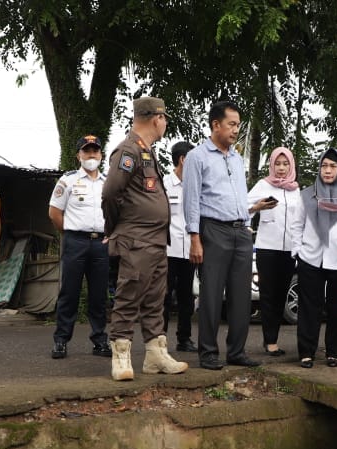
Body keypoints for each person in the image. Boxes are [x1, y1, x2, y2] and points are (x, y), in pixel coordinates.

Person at [101, 96, 187, 381]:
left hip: (156, 240)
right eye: (164, 119)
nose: (165, 124)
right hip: (136, 239)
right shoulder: (128, 150)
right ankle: (121, 355)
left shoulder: (147, 152)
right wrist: (115, 228)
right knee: (129, 296)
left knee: (155, 298)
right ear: (155, 119)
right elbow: (111, 193)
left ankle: (155, 354)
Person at [182, 99, 259, 370]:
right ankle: (208, 352)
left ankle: (236, 351)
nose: (236, 130)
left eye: (238, 125)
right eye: (231, 124)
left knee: (241, 296)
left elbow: (240, 196)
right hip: (213, 230)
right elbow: (191, 200)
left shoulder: (237, 158)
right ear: (216, 125)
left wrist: (248, 225)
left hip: (241, 231)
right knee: (212, 294)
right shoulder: (197, 157)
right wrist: (195, 237)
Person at [295, 148, 337, 368]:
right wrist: (297, 251)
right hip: (310, 258)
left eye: (333, 166)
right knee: (309, 307)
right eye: (324, 165)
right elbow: (297, 224)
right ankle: (306, 352)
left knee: (336, 307)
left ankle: (333, 352)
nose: (327, 170)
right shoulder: (307, 194)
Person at [48, 134, 112, 360]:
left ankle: (100, 341)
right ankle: (61, 341)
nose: (91, 155)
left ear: (101, 155)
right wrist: (70, 232)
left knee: (99, 295)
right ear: (79, 155)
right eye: (87, 151)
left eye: (95, 151)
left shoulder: (108, 182)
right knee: (69, 292)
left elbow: (115, 213)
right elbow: (54, 213)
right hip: (75, 241)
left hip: (101, 243)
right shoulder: (68, 181)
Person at [247, 146, 302, 357]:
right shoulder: (263, 185)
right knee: (268, 294)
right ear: (271, 165)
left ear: (291, 165)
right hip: (267, 248)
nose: (281, 168)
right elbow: (243, 206)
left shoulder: (296, 189)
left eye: (285, 164)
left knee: (282, 294)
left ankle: (275, 339)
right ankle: (269, 342)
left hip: (289, 250)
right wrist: (257, 207)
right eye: (277, 164)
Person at [163, 141, 197, 353]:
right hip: (167, 250)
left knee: (187, 297)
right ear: (183, 159)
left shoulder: (197, 185)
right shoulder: (164, 183)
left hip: (190, 249)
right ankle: (160, 340)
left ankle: (184, 339)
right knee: (164, 296)